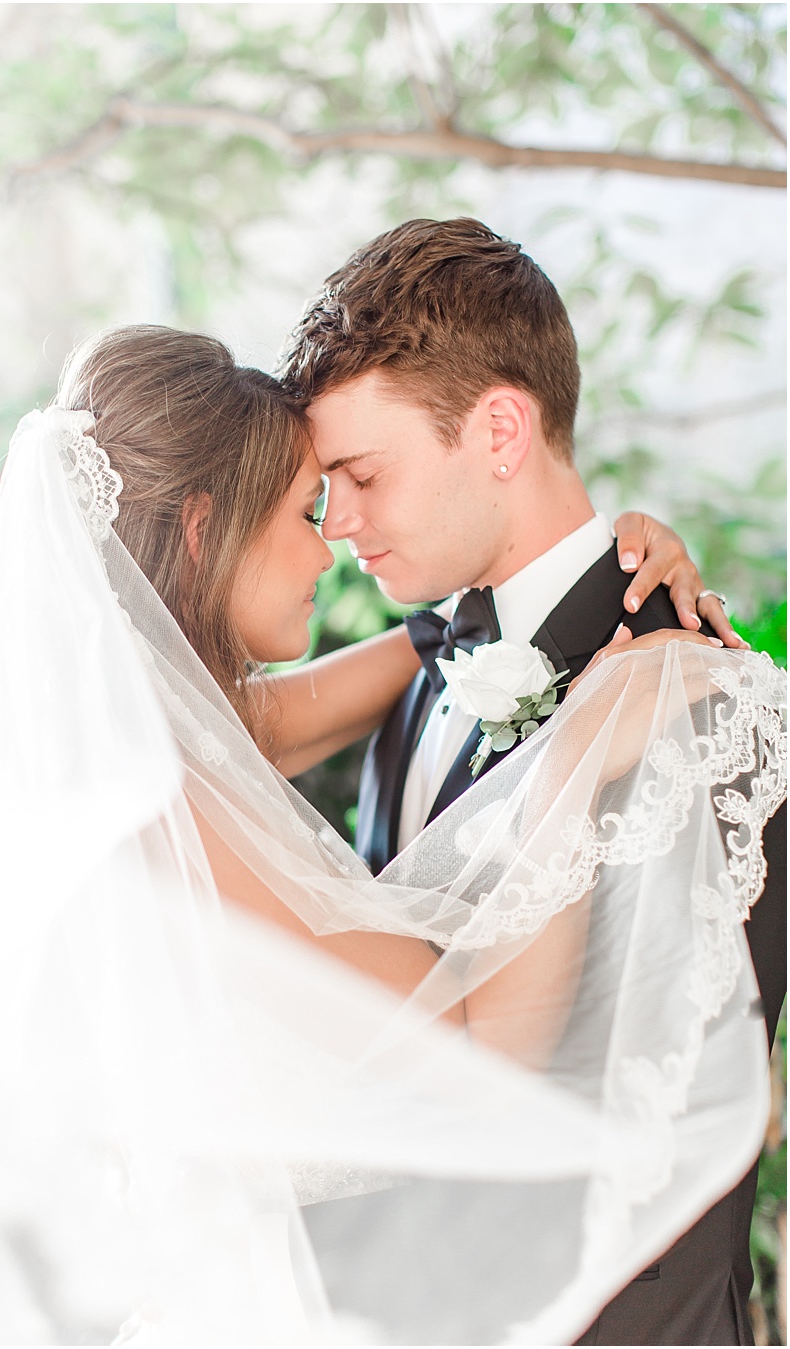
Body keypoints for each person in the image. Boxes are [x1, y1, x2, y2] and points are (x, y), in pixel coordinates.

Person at [0, 323, 783, 1344]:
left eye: (355, 482)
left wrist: (516, 609)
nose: (332, 540)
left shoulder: (111, 757)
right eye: (305, 508)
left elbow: (289, 713)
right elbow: (482, 1056)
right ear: (200, 530)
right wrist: (574, 759)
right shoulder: (163, 803)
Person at [282, 218, 785, 1345]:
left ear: (501, 427)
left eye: (362, 474)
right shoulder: (427, 659)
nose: (339, 521)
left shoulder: (701, 694)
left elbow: (657, 1109)